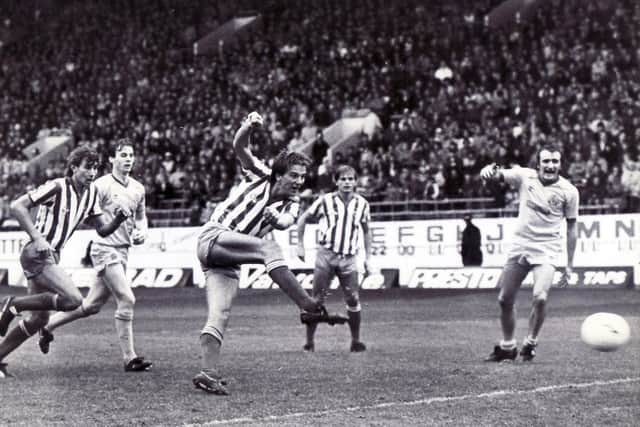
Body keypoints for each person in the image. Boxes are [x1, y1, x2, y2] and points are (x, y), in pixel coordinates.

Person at [193, 112, 346, 395]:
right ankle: (308, 306)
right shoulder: (261, 174)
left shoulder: (292, 202)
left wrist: (277, 222)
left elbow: (287, 222)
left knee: (220, 313)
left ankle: (207, 373)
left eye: (303, 177)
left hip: (228, 261)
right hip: (212, 237)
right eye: (295, 175)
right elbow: (240, 147)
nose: (300, 181)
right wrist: (248, 126)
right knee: (269, 247)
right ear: (279, 174)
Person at [0, 145, 130, 378]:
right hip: (36, 252)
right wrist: (37, 237)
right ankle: (13, 304)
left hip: (52, 256)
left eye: (96, 169)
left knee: (38, 319)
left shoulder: (90, 195)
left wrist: (119, 219)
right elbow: (17, 206)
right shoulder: (57, 186)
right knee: (73, 300)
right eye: (87, 168)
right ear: (73, 168)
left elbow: (102, 230)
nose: (92, 173)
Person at [37, 140, 153, 372]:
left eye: (131, 155)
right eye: (123, 155)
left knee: (91, 305)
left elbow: (141, 216)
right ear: (112, 159)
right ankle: (130, 358)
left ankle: (48, 326)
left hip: (122, 250)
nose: (128, 159)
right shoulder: (100, 185)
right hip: (104, 249)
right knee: (127, 299)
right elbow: (85, 212)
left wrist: (143, 231)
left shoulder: (138, 188)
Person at [480, 144, 579, 362]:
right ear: (538, 163)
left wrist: (570, 264)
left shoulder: (569, 191)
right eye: (546, 161)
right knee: (504, 299)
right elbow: (497, 174)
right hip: (521, 246)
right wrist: (488, 170)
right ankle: (507, 347)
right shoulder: (525, 176)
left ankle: (531, 343)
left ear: (561, 164)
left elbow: (572, 227)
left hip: (547, 249)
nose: (550, 165)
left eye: (555, 161)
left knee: (540, 297)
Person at [296, 164, 373, 353]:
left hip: (348, 257)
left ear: (355, 182)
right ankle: (309, 342)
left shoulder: (362, 204)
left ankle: (356, 341)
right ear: (336, 182)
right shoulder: (325, 201)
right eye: (343, 179)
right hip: (326, 255)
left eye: (351, 179)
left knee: (353, 298)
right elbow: (303, 218)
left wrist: (368, 257)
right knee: (316, 300)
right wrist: (299, 244)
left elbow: (366, 230)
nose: (347, 183)